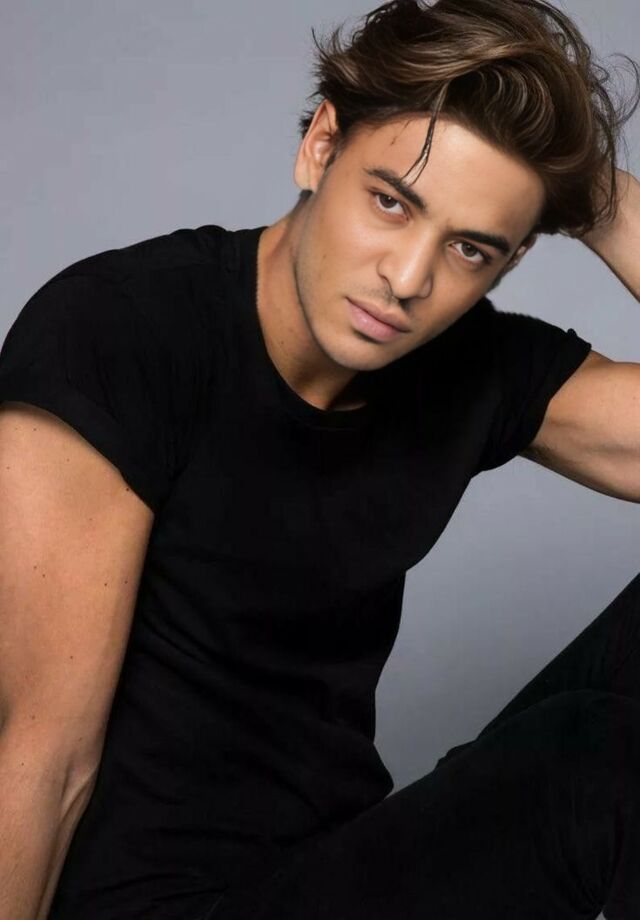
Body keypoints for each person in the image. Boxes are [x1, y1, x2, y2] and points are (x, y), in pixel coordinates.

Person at [0, 0, 639, 917]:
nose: (407, 279)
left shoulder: (472, 367)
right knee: (592, 764)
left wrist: (595, 195)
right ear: (321, 145)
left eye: (468, 248)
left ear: (507, 262)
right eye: (391, 202)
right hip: (148, 905)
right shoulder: (123, 332)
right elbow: (41, 759)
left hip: (333, 869)